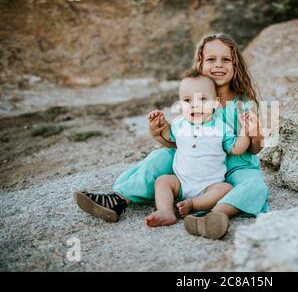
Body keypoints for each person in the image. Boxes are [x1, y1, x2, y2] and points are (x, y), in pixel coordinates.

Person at [74, 33, 269, 239]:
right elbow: (178, 142)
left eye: (226, 59)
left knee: (256, 185)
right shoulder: (191, 97)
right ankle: (119, 200)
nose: (218, 65)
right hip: (194, 162)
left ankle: (215, 215)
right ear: (200, 63)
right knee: (160, 157)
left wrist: (254, 133)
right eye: (211, 59)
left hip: (237, 164)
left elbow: (258, 148)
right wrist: (158, 133)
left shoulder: (249, 102)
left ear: (236, 64)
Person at [143, 73, 251, 239]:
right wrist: (160, 124)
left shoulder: (221, 127)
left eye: (202, 99)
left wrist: (245, 131)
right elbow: (167, 135)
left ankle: (193, 204)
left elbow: (237, 149)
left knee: (226, 189)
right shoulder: (179, 124)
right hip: (181, 182)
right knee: (163, 181)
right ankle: (165, 211)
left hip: (210, 185)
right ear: (180, 105)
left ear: (216, 103)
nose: (195, 105)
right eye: (187, 101)